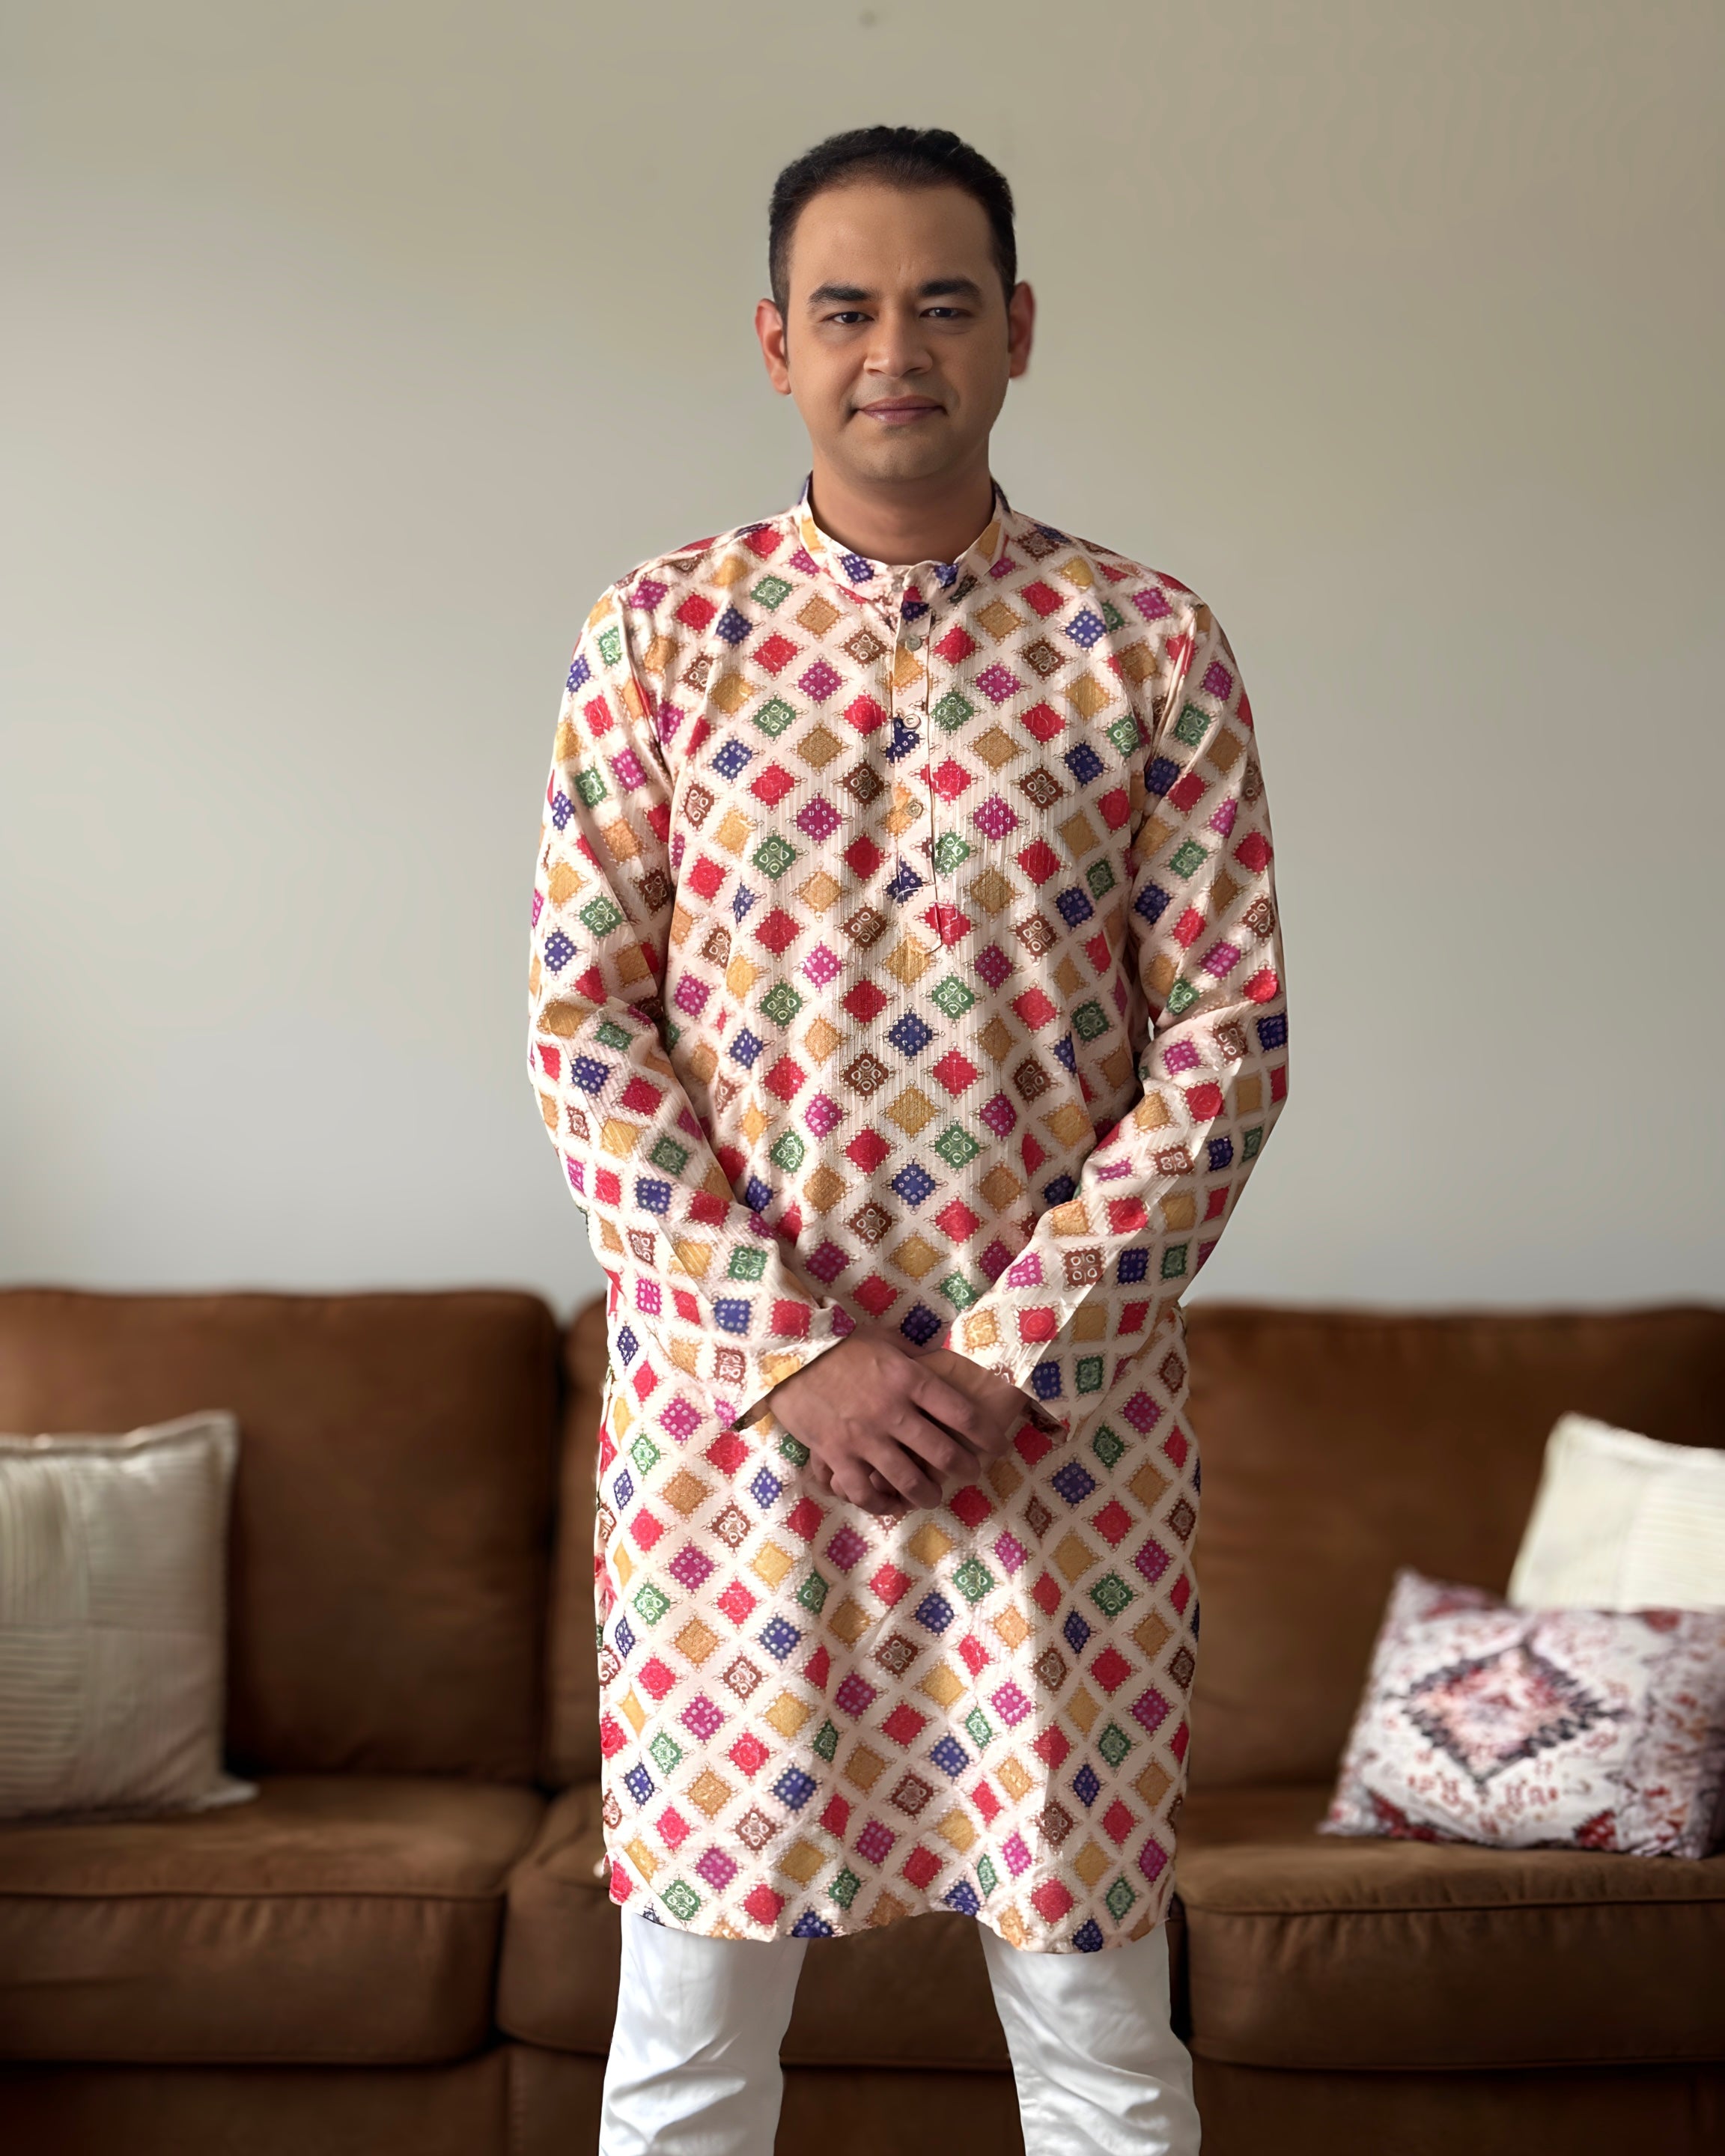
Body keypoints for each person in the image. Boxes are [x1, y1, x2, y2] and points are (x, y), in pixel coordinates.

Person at [525, 124, 1288, 2156]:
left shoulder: (1148, 646)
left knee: (1101, 2046)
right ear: (774, 342)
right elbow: (586, 1032)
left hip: (1056, 1461)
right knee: (686, 2055)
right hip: (736, 1460)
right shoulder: (656, 636)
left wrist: (1007, 1357)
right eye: (846, 309)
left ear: (1017, 331)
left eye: (942, 305)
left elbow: (1229, 1041)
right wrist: (796, 1357)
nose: (895, 352)